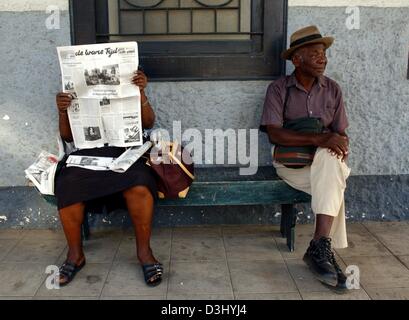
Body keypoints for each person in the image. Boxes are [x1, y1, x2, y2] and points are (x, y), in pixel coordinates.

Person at [260, 26, 351, 290]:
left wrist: (338, 145)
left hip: (325, 166)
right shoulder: (278, 89)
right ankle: (321, 251)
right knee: (334, 181)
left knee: (330, 165)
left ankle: (319, 248)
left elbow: (341, 133)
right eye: (314, 53)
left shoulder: (333, 89)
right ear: (296, 60)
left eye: (323, 53)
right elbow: (275, 134)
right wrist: (319, 139)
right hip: (292, 167)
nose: (322, 58)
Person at [55, 70, 163, 287]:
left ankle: (144, 252)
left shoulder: (133, 85)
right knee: (67, 182)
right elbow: (67, 136)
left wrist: (141, 91)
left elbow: (149, 122)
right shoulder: (75, 92)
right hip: (88, 154)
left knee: (139, 182)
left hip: (126, 152)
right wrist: (62, 110)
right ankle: (75, 254)